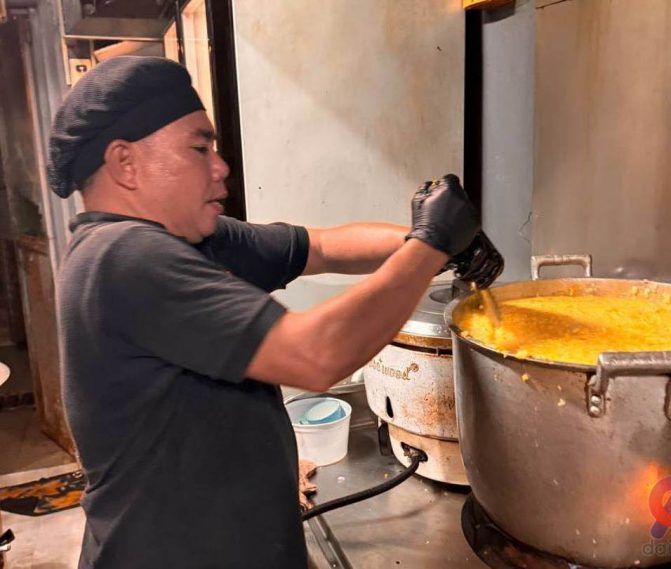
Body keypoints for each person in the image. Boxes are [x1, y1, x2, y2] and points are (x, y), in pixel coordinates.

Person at [47, 56, 500, 569]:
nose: (221, 167)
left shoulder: (188, 240)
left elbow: (322, 247)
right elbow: (315, 355)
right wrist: (431, 244)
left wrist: (439, 243)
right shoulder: (123, 257)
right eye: (199, 148)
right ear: (125, 163)